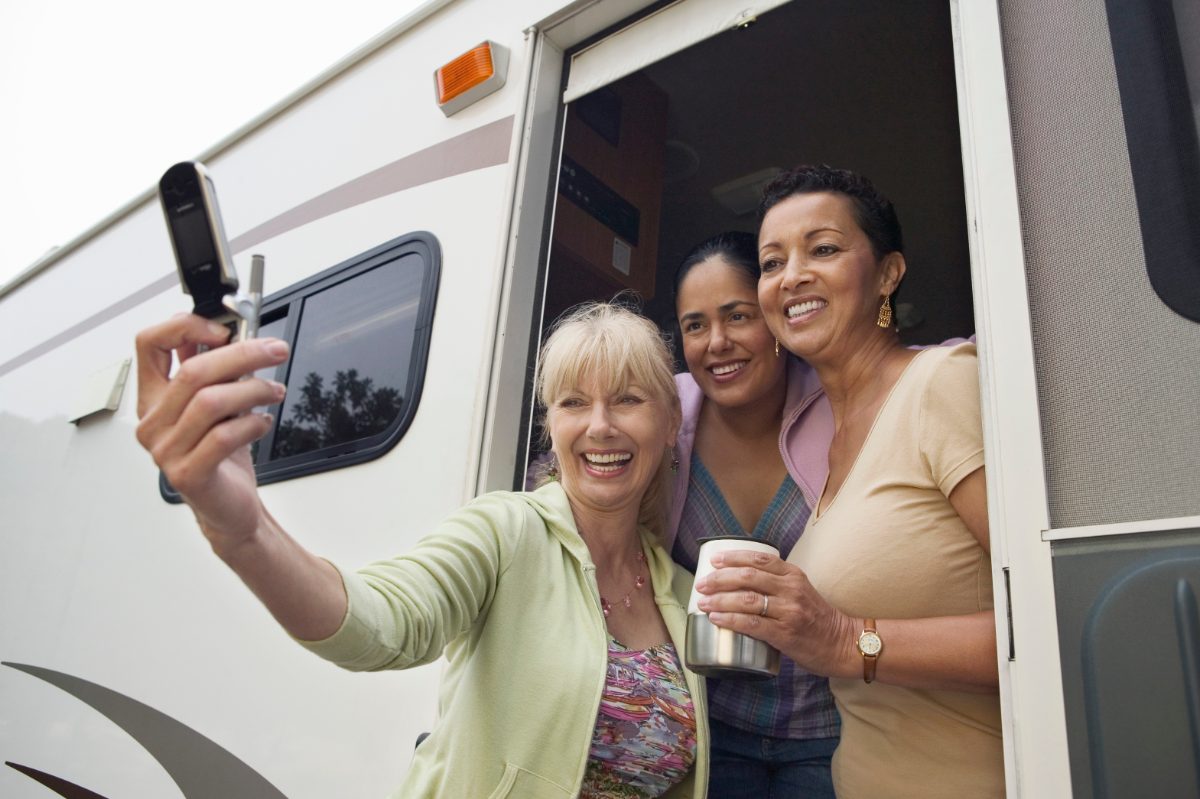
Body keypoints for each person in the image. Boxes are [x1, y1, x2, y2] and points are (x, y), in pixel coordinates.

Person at [134, 301, 710, 798]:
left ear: (669, 424)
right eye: (574, 402)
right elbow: (384, 620)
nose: (600, 426)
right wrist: (246, 532)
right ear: (552, 426)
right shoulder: (507, 531)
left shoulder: (685, 593)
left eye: (627, 400)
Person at [693, 165, 1003, 798]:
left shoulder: (941, 384)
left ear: (888, 273)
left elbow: (1054, 612)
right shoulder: (829, 445)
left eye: (824, 249)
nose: (792, 276)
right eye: (773, 262)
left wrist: (842, 640)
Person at [668, 231, 838, 798]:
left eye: (737, 316)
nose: (717, 343)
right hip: (711, 727)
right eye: (695, 325)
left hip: (830, 729)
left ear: (774, 316)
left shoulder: (840, 404)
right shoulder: (664, 418)